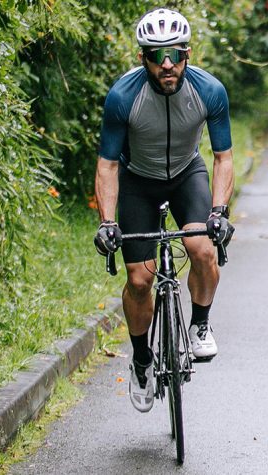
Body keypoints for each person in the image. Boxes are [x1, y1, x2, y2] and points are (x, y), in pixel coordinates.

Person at [93, 8, 235, 413]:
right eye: (157, 55)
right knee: (140, 279)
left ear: (188, 53)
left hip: (187, 172)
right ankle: (141, 360)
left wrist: (219, 211)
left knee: (203, 249)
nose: (167, 64)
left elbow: (223, 157)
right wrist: (107, 222)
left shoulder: (209, 91)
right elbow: (108, 165)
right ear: (144, 59)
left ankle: (200, 324)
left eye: (174, 53)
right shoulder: (124, 96)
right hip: (139, 180)